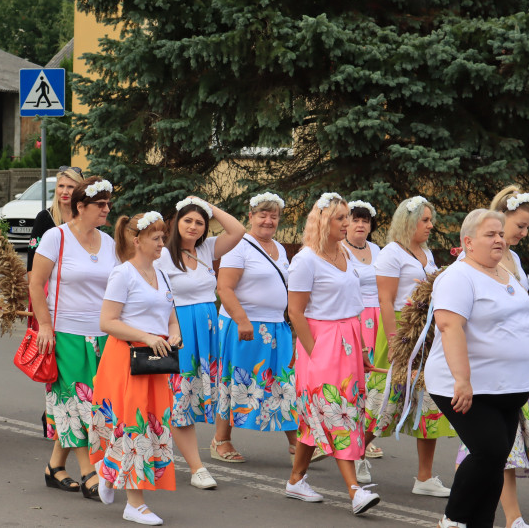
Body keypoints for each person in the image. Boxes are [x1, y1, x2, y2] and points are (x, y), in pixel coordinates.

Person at [425, 209, 529, 528]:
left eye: (500, 234)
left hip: (509, 388)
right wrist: (462, 380)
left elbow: (502, 321)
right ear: (468, 241)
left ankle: (480, 523)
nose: (499, 239)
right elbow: (450, 327)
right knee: (488, 451)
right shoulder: (458, 276)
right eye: (490, 234)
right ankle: (453, 519)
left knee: (496, 459)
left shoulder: (505, 273)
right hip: (471, 386)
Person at [285, 192, 380, 515]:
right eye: (340, 218)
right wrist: (314, 353)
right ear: (324, 221)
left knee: (322, 416)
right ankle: (354, 490)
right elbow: (295, 312)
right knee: (337, 412)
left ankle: (296, 479)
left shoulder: (345, 254)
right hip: (321, 341)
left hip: (350, 340)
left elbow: (352, 305)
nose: (348, 223)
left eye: (348, 217)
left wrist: (363, 349)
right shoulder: (306, 260)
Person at [29, 176, 118, 500]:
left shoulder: (108, 243)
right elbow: (36, 283)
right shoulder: (56, 237)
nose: (106, 210)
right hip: (65, 334)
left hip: (103, 337)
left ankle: (55, 466)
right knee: (77, 403)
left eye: (108, 204)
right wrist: (45, 326)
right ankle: (89, 471)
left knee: (91, 405)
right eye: (100, 205)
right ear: (80, 207)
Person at [91, 211, 181, 526]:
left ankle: (109, 468)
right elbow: (108, 322)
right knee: (134, 424)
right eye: (155, 238)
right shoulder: (123, 274)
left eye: (162, 237)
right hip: (127, 359)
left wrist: (174, 332)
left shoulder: (162, 273)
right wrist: (145, 336)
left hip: (155, 361)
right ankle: (135, 503)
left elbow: (169, 313)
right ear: (136, 240)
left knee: (151, 423)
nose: (161, 243)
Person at [364, 195, 454, 494]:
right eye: (425, 220)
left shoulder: (426, 252)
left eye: (431, 220)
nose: (430, 226)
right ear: (409, 222)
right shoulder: (391, 253)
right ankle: (354, 454)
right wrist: (394, 341)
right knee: (387, 395)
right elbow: (385, 300)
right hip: (401, 329)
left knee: (427, 400)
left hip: (425, 331)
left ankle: (424, 477)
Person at [154, 195, 245, 490]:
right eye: (187, 220)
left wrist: (207, 205)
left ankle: (157, 452)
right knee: (181, 400)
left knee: (186, 399)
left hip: (206, 333)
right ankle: (197, 467)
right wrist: (170, 331)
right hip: (179, 332)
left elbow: (238, 230)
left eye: (199, 222)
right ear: (175, 222)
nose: (193, 226)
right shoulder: (163, 255)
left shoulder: (206, 249)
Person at [213, 192, 298, 463]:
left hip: (276, 328)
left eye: (274, 216)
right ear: (250, 216)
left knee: (284, 383)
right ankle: (221, 440)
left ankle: (298, 442)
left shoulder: (279, 248)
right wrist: (242, 320)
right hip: (244, 327)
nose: (268, 220)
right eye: (263, 214)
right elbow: (224, 288)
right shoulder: (238, 246)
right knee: (237, 381)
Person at [341, 200, 383, 469]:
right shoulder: (339, 249)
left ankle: (368, 432)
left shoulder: (377, 249)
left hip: (378, 315)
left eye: (365, 221)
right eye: (355, 220)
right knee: (357, 376)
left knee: (375, 376)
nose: (360, 225)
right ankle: (352, 431)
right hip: (354, 315)